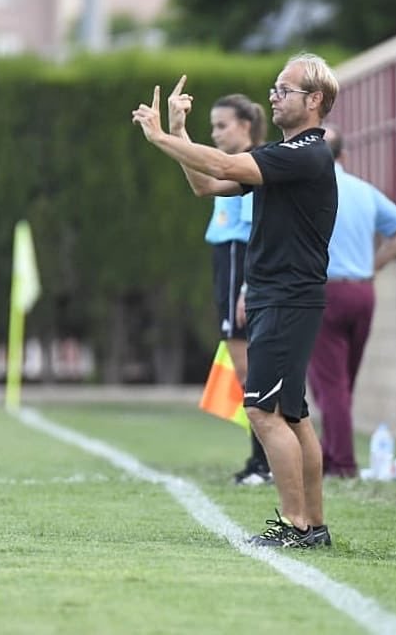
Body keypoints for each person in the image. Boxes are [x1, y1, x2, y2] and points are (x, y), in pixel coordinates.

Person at [132, 53, 340, 548]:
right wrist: (181, 137)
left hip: (286, 296)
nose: (273, 95)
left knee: (265, 413)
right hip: (285, 296)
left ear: (314, 101)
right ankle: (312, 525)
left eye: (284, 90)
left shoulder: (304, 152)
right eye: (275, 87)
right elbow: (209, 185)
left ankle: (296, 526)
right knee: (292, 414)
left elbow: (225, 162)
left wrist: (162, 138)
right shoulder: (289, 154)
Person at [306, 126, 396, 478]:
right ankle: (329, 451)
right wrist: (374, 265)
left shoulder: (308, 190)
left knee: (330, 384)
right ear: (344, 156)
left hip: (326, 291)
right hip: (363, 292)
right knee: (343, 381)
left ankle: (342, 463)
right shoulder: (364, 190)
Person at [202, 93, 273, 486]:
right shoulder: (234, 169)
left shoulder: (251, 167)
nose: (215, 134)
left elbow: (254, 233)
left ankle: (264, 462)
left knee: (249, 371)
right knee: (246, 371)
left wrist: (248, 286)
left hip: (237, 263)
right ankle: (261, 460)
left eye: (222, 125)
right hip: (226, 262)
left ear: (245, 126)